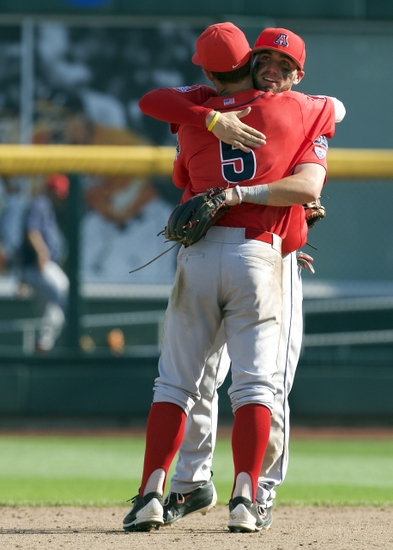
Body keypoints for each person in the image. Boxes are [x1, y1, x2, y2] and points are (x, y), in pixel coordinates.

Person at [124, 22, 337, 533]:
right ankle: (238, 495)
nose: (273, 69)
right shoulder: (304, 109)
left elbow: (174, 158)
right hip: (260, 258)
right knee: (257, 386)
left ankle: (156, 490)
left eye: (284, 66)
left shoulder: (192, 114)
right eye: (266, 60)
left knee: (177, 383)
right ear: (248, 62)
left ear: (205, 69)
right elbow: (316, 158)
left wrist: (208, 122)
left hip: (201, 258)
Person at [19, 174, 70, 353]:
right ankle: (43, 344)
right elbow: (31, 230)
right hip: (38, 265)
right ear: (49, 190)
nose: (59, 197)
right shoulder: (40, 203)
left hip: (41, 266)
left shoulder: (47, 206)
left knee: (50, 309)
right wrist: (41, 252)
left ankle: (41, 346)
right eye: (57, 192)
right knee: (63, 290)